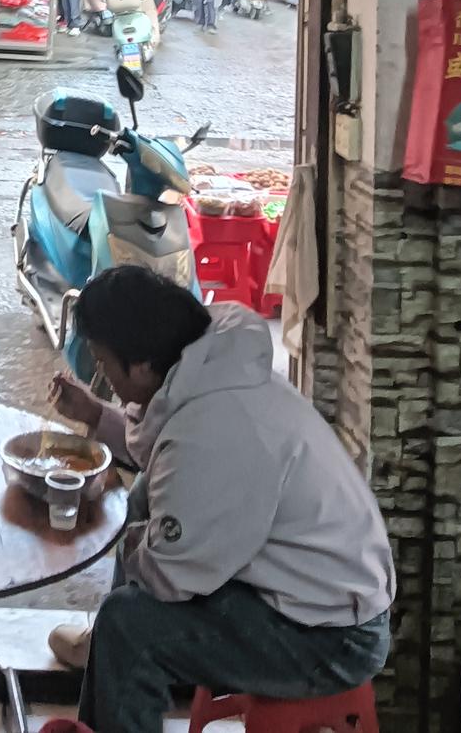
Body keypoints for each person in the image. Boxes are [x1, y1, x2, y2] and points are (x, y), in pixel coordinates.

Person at [48, 270, 392, 733]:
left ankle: (110, 656)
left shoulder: (214, 431)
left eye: (102, 360)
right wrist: (95, 414)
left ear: (143, 365)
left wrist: (123, 540)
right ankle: (103, 658)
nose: (99, 374)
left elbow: (171, 576)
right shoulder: (210, 367)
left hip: (332, 638)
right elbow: (167, 455)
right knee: (144, 496)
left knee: (128, 628)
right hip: (307, 593)